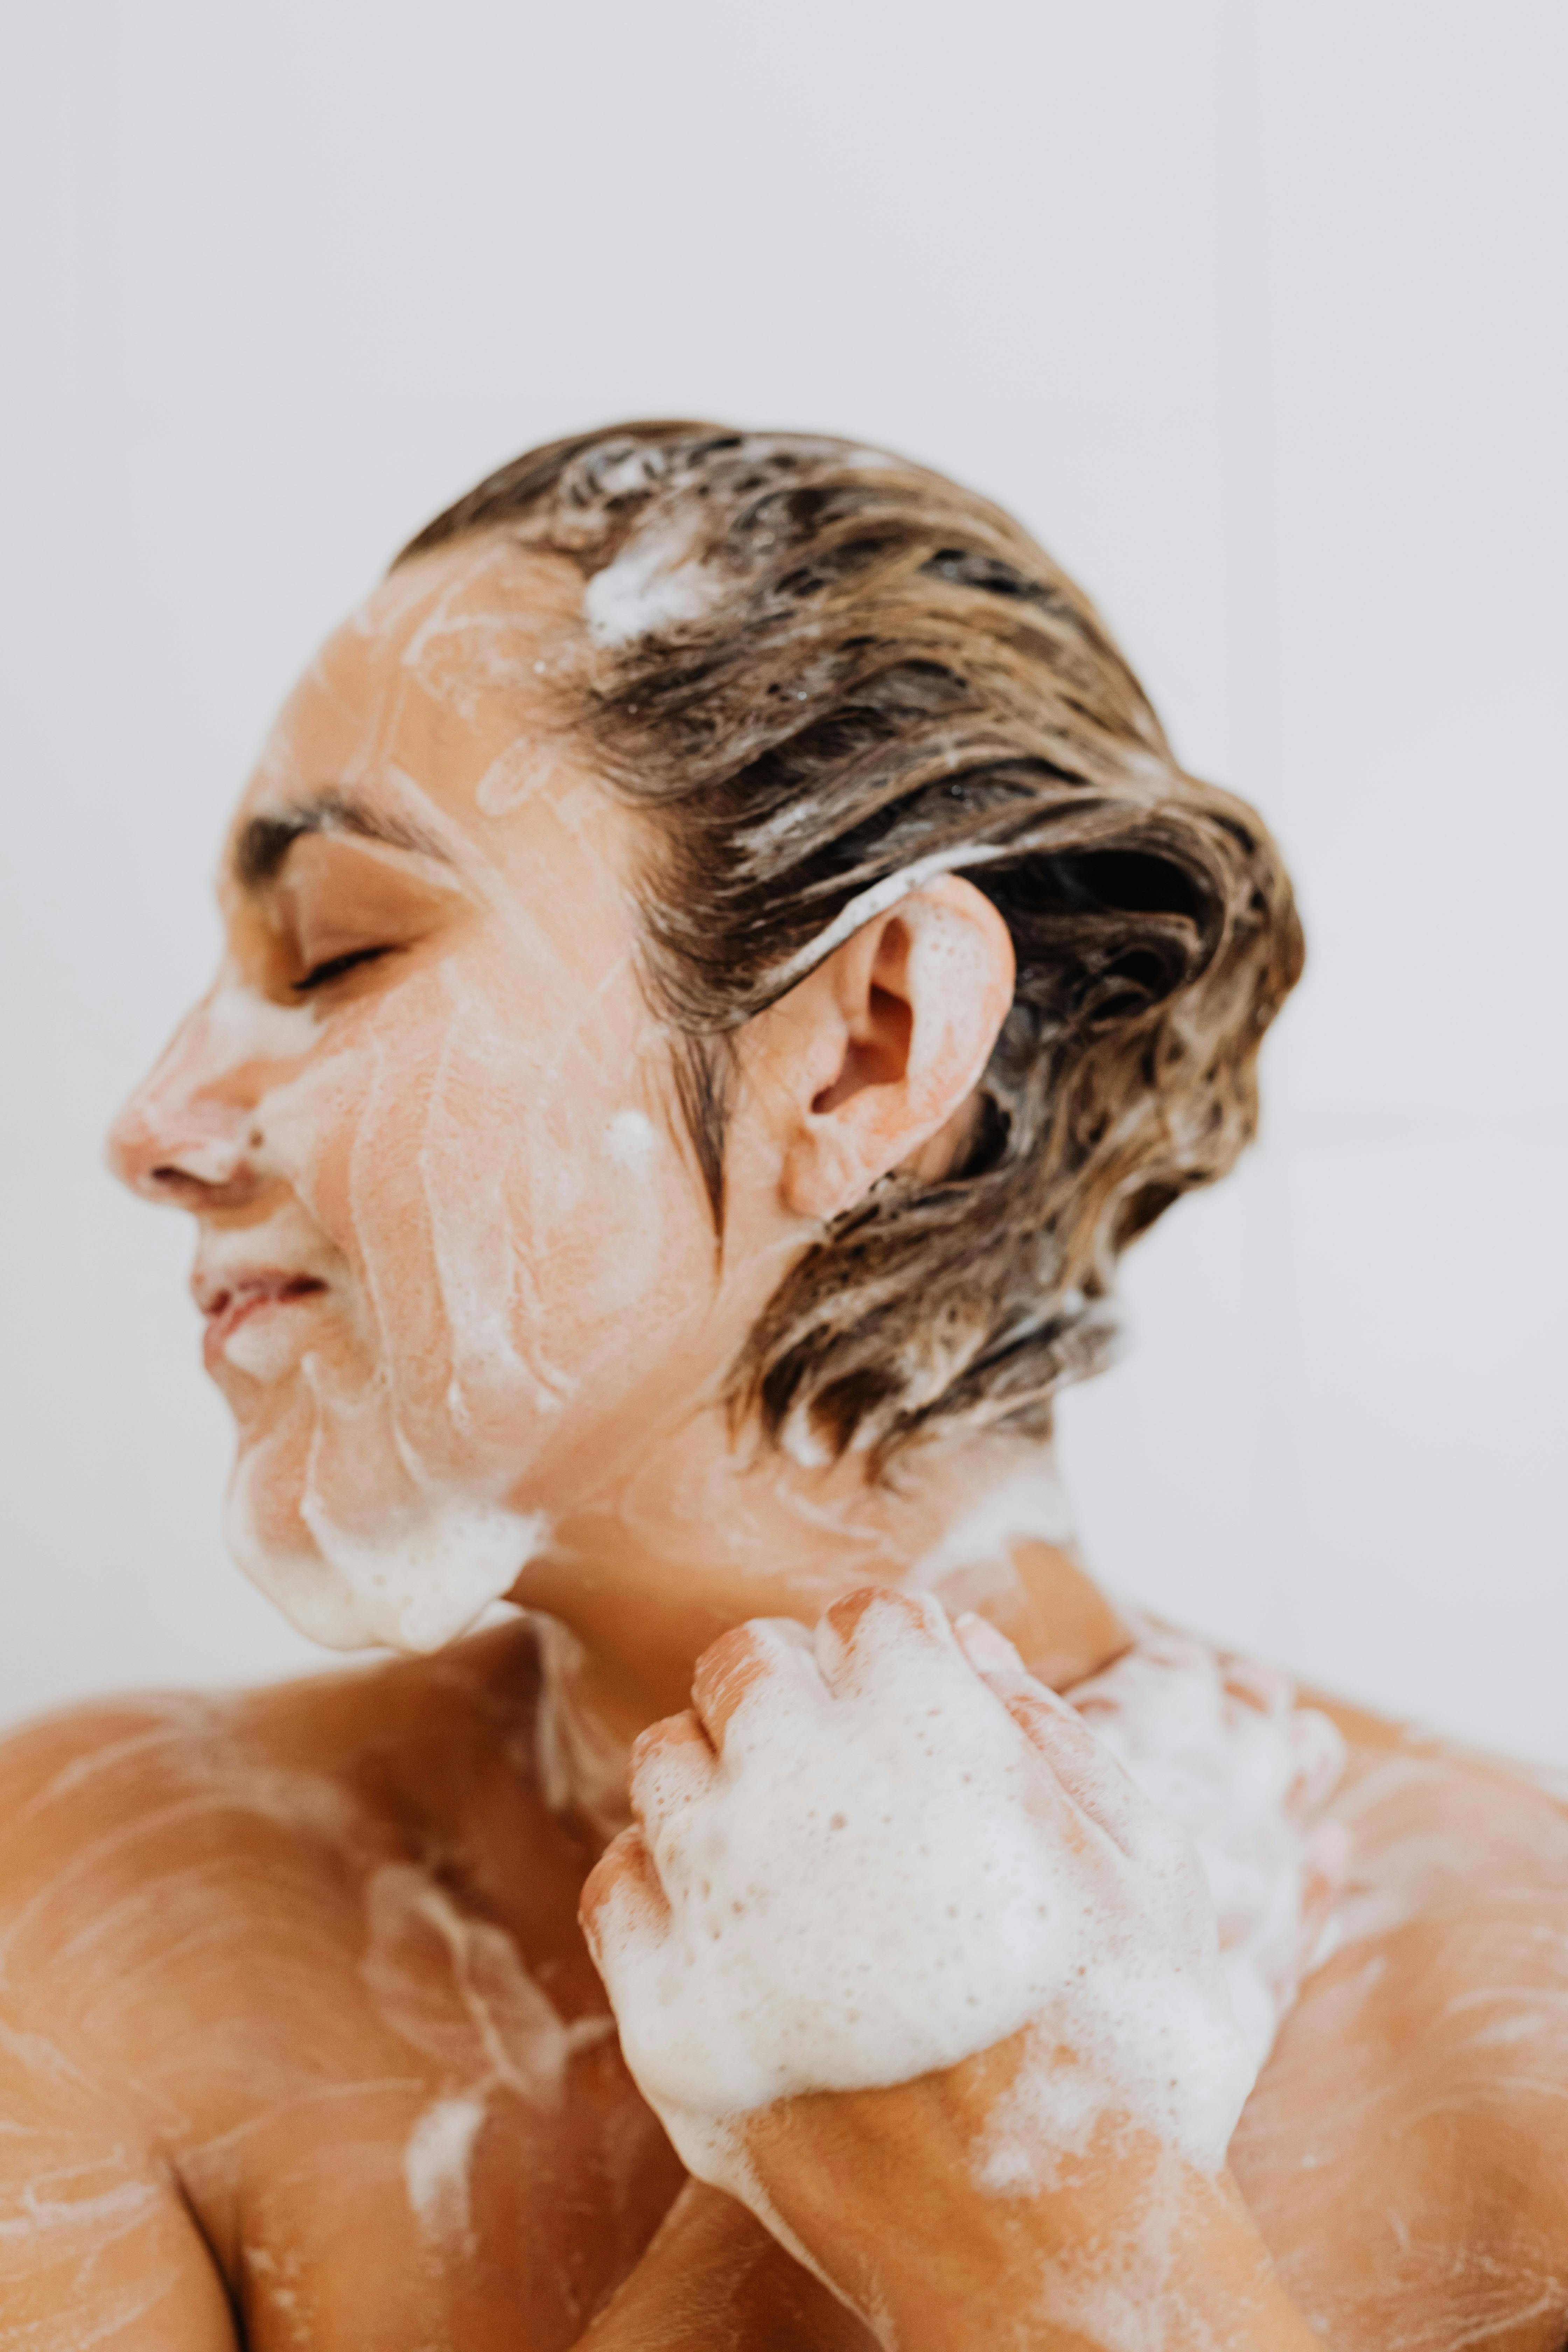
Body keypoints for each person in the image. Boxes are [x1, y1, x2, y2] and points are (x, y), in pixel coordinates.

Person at [2, 424, 1564, 2352]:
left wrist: (1058, 2257)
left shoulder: (1532, 2039)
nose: (151, 1128)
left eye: (337, 951)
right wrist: (892, 2223)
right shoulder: (79, 1930)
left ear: (866, 1051)